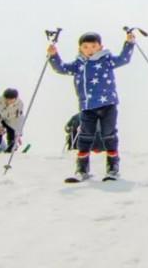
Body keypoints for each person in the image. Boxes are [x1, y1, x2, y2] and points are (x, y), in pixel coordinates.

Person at [49, 30, 135, 180]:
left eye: (94, 46)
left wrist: (129, 43)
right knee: (85, 136)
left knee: (109, 134)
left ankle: (112, 166)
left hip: (108, 104)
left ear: (100, 47)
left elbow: (124, 59)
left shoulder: (106, 60)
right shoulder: (78, 64)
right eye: (86, 47)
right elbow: (61, 68)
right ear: (80, 49)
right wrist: (53, 55)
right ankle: (82, 168)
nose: (90, 50)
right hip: (87, 106)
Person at [0, 88, 24, 153]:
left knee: (12, 130)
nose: (9, 102)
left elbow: (19, 118)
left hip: (11, 119)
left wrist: (18, 133)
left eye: (11, 100)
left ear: (16, 98)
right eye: (7, 99)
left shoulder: (20, 104)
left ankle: (11, 146)